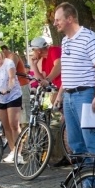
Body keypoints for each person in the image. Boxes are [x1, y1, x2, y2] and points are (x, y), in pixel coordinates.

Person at [52, 2, 95, 163]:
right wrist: (60, 95)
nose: (55, 23)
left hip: (85, 95)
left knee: (91, 139)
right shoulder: (65, 41)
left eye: (58, 19)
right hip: (69, 97)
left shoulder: (89, 37)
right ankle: (86, 183)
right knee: (75, 142)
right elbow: (68, 71)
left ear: (69, 18)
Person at [29, 36, 66, 166]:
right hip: (55, 92)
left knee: (58, 123)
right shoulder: (43, 60)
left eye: (33, 50)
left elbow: (59, 65)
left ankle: (62, 155)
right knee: (54, 122)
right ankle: (58, 155)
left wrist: (49, 79)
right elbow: (42, 80)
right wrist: (34, 65)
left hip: (64, 88)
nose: (32, 53)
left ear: (38, 50)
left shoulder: (54, 50)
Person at [0, 43, 31, 128]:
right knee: (16, 114)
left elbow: (9, 71)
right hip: (14, 88)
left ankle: (28, 136)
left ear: (4, 50)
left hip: (22, 85)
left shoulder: (12, 56)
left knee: (24, 112)